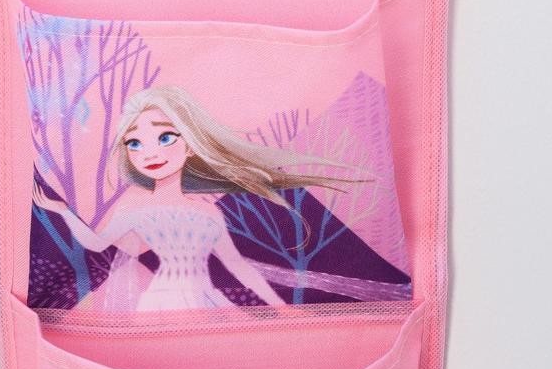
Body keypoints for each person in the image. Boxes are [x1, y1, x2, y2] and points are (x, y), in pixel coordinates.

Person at [33, 85, 361, 311]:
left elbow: (237, 265)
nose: (150, 153)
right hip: (162, 301)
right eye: (134, 143)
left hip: (206, 298)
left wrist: (278, 306)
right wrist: (63, 211)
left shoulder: (207, 213)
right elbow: (96, 244)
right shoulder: (134, 205)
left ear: (190, 144)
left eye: (165, 137)